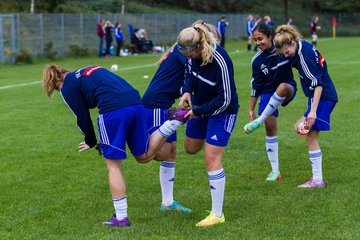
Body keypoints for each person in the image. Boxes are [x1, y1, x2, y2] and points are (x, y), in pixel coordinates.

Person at [42, 65, 186, 227]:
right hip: (136, 103)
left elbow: (82, 117)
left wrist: (90, 141)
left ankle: (121, 217)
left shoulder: (66, 87)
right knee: (144, 156)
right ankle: (173, 121)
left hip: (113, 110)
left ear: (55, 83)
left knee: (113, 166)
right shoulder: (86, 71)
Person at [141, 20, 221, 214]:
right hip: (156, 102)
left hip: (166, 103)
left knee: (171, 153)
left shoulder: (182, 49)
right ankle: (134, 137)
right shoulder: (184, 51)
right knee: (158, 153)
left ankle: (167, 202)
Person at [177, 23, 239, 227]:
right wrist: (186, 91)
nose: (188, 58)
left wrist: (198, 112)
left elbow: (226, 99)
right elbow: (188, 73)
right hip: (201, 106)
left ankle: (217, 214)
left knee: (211, 158)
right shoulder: (190, 56)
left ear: (199, 46)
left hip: (222, 111)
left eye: (190, 54)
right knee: (191, 148)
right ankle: (213, 144)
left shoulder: (220, 60)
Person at [274, 25, 338, 188]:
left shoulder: (304, 55)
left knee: (309, 135)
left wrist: (313, 111)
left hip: (323, 96)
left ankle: (317, 180)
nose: (287, 56)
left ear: (293, 42)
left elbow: (318, 85)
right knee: (299, 128)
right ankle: (317, 180)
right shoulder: (297, 47)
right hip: (317, 97)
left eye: (287, 52)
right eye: (284, 53)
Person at [243, 23, 297, 181]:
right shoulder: (257, 60)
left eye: (260, 39)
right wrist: (251, 109)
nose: (258, 43)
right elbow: (256, 86)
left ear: (270, 37)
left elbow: (299, 63)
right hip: (267, 91)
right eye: (255, 40)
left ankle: (260, 120)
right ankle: (275, 171)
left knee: (282, 87)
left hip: (288, 87)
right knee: (271, 128)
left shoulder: (283, 49)